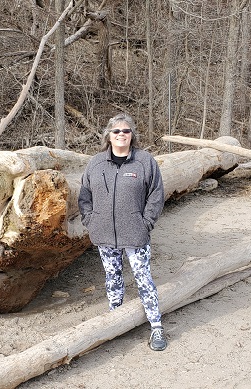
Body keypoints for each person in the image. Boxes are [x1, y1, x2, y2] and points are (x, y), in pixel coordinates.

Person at [78, 113, 167, 351]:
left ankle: (156, 327)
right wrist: (91, 221)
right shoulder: (95, 164)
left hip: (135, 235)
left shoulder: (145, 162)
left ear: (132, 135)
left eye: (126, 131)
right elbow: (84, 196)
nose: (121, 135)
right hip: (105, 235)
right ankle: (116, 323)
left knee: (143, 279)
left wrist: (145, 222)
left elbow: (156, 195)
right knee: (113, 279)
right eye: (116, 131)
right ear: (108, 135)